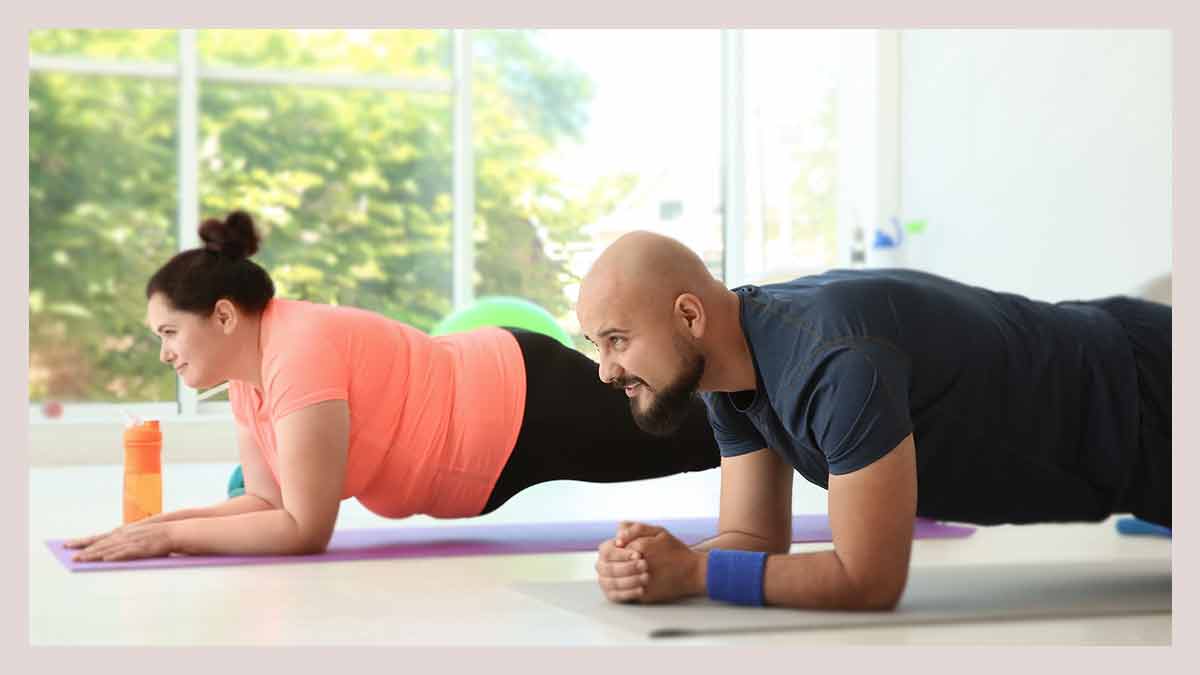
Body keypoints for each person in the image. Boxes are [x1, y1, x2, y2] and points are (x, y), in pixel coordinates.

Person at [66, 213, 719, 562]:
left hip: (523, 405)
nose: (165, 353)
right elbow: (267, 501)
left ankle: (778, 391)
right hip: (496, 435)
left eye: (170, 332)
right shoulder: (247, 380)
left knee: (700, 434)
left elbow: (302, 528)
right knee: (704, 431)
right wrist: (160, 524)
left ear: (225, 315)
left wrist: (171, 537)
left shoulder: (299, 350)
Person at [576, 231, 1170, 610]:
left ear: (688, 315)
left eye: (617, 340)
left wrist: (696, 576)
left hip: (1153, 387)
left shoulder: (836, 364)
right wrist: (663, 562)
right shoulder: (728, 374)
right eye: (597, 345)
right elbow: (755, 540)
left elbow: (867, 581)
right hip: (1122, 433)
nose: (606, 370)